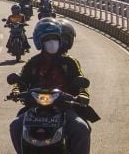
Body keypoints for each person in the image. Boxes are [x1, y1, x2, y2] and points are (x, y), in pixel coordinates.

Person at [9, 18, 92, 154]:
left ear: (60, 40)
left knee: (81, 127)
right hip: (36, 109)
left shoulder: (70, 62)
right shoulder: (33, 63)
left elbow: (81, 83)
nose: (52, 42)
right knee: (15, 125)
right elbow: (21, 82)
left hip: (64, 108)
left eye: (55, 38)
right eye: (48, 39)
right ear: (40, 42)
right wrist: (16, 91)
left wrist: (83, 94)